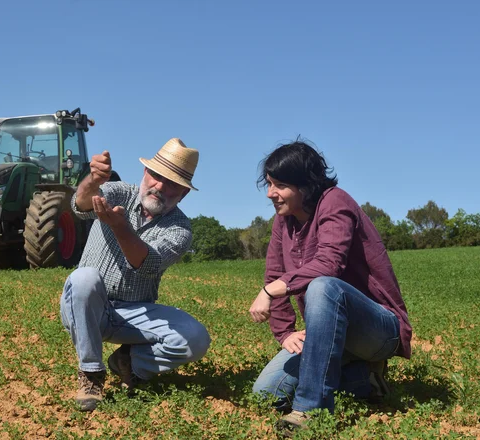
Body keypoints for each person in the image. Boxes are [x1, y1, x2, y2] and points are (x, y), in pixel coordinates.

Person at [248, 141, 412, 436]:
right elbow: (275, 271)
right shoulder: (282, 221)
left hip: (377, 329)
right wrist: (285, 332)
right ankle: (364, 379)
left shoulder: (335, 202)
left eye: (281, 185)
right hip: (326, 331)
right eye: (270, 184)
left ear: (306, 185)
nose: (271, 193)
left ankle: (310, 410)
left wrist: (272, 290)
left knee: (324, 287)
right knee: (267, 393)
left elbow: (329, 263)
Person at [60, 138, 211, 412]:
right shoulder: (119, 192)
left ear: (183, 193)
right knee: (84, 278)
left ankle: (130, 362)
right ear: (145, 173)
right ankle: (91, 374)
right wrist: (93, 180)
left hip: (133, 313)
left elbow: (147, 264)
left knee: (195, 338)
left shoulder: (180, 229)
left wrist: (120, 227)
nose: (160, 186)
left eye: (172, 183)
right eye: (156, 175)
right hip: (86, 306)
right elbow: (80, 205)